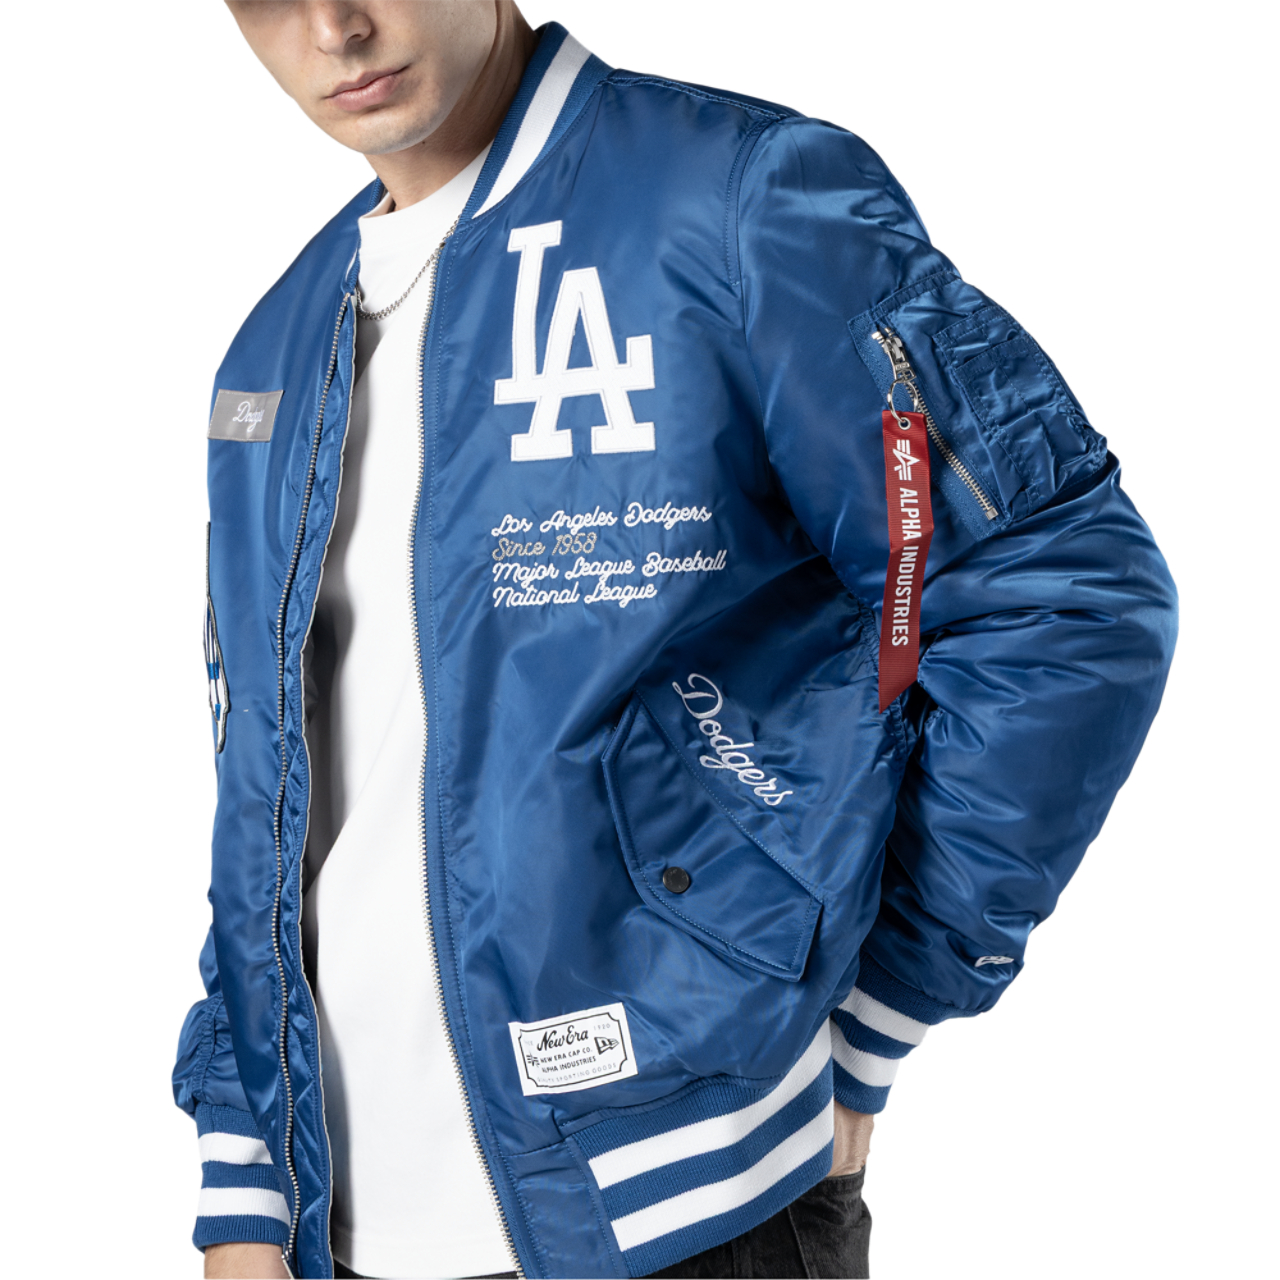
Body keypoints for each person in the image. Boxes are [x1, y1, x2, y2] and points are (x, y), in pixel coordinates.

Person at [173, 4, 1178, 1278]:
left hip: (692, 1198)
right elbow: (268, 791)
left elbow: (1059, 593)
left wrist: (880, 1004)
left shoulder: (737, 205)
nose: (335, 26)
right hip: (330, 1236)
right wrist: (246, 1170)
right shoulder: (275, 344)